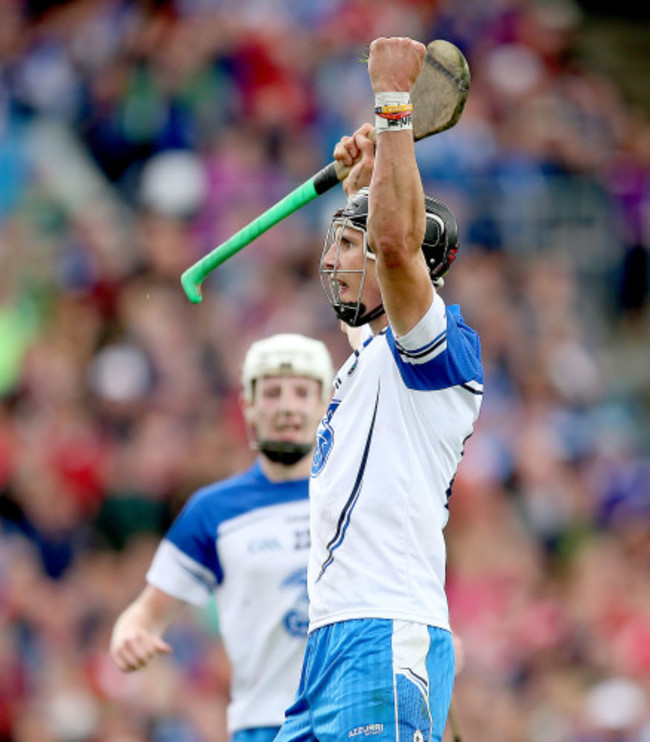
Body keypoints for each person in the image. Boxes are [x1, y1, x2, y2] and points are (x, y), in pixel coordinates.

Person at [274, 37, 483, 742]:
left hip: (381, 631)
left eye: (345, 243)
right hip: (332, 645)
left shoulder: (439, 352)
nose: (329, 259)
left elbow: (394, 247)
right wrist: (368, 182)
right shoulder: (370, 360)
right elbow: (386, 241)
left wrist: (394, 108)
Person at [109, 333, 334, 742]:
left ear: (326, 404)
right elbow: (146, 612)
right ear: (247, 407)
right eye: (272, 393)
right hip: (265, 725)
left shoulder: (358, 497)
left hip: (352, 721)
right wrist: (130, 633)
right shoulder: (213, 511)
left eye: (302, 392)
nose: (286, 406)